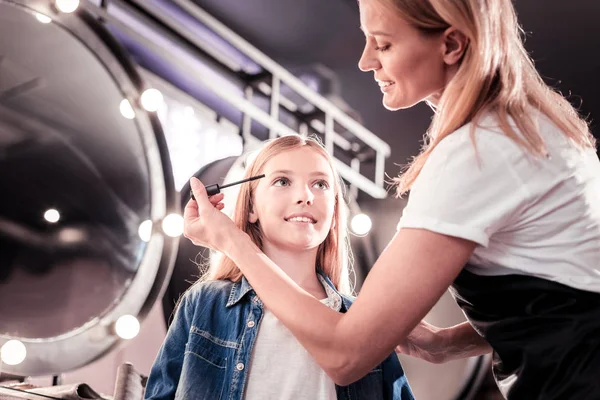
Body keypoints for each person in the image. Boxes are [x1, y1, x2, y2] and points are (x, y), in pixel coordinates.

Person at [183, 0, 600, 398]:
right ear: (251, 204)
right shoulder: (531, 130)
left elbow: (345, 356)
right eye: (281, 182)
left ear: (451, 44)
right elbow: (562, 295)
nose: (366, 61)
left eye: (383, 44)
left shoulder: (482, 151)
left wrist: (231, 241)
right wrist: (444, 344)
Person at [145, 135, 415, 400]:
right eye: (283, 181)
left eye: (320, 184)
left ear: (334, 212)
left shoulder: (363, 320)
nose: (305, 196)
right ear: (251, 207)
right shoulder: (205, 303)